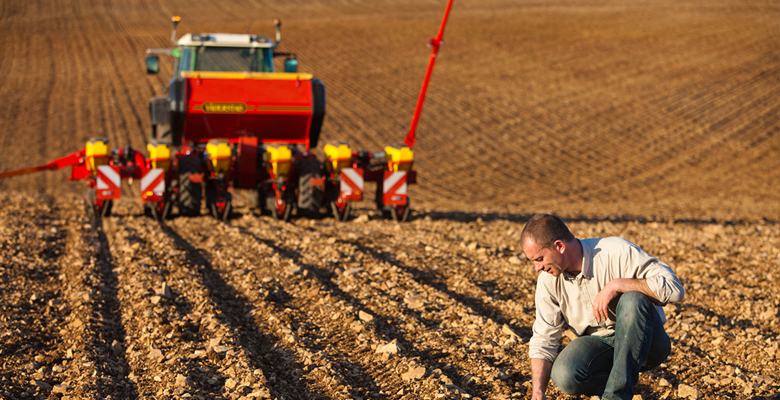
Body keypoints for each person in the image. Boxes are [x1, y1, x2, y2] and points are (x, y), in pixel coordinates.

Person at [520, 214, 685, 400]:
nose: (537, 268)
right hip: (600, 345)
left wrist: (619, 285)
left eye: (539, 258)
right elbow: (544, 337)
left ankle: (616, 396)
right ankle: (621, 382)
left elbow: (675, 289)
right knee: (564, 375)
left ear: (559, 246)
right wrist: (538, 392)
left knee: (633, 300)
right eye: (533, 261)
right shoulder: (548, 281)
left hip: (648, 343)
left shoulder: (616, 251)